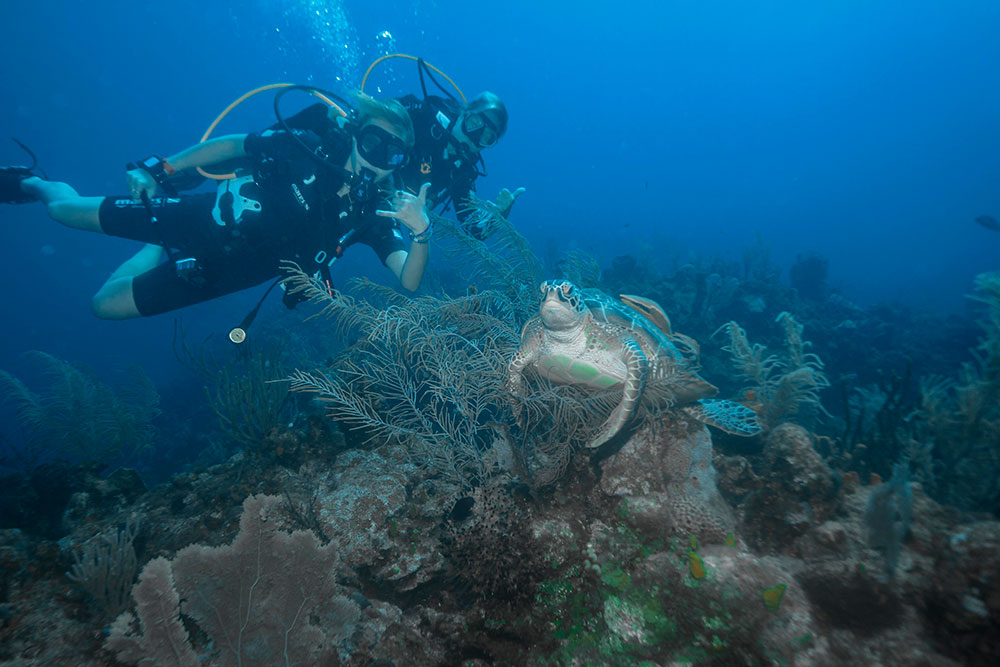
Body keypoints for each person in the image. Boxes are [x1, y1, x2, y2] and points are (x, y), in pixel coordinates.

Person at [1, 93, 432, 320]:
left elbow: (408, 281)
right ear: (356, 135)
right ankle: (34, 181)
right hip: (200, 218)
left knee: (104, 306)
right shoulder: (308, 148)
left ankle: (153, 248)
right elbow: (232, 145)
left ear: (399, 163)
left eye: (391, 153)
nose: (377, 157)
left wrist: (421, 233)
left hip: (231, 273)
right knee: (63, 211)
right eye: (372, 141)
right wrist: (161, 168)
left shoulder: (378, 212)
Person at [395, 91, 524, 239]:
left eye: (486, 137)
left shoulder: (461, 173)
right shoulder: (426, 116)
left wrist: (499, 216)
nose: (474, 137)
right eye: (474, 124)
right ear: (464, 112)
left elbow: (474, 229)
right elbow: (380, 112)